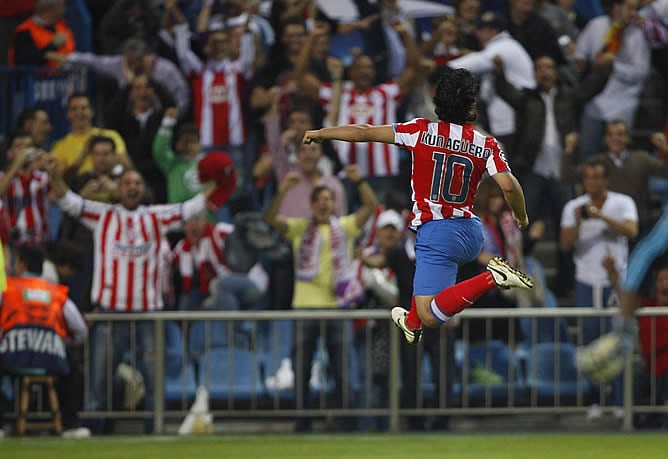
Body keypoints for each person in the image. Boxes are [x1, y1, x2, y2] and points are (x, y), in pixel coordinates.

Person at [302, 66, 533, 344]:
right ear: (472, 105)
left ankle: (492, 277)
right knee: (425, 305)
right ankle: (410, 322)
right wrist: (520, 215)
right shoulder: (487, 143)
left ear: (437, 101)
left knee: (432, 315)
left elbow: (364, 131)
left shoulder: (420, 131)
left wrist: (322, 132)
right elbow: (509, 185)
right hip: (471, 232)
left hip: (436, 232)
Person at [42, 151, 235, 431]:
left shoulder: (157, 217)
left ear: (142, 190)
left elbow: (195, 206)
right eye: (127, 184)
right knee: (99, 378)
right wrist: (55, 175)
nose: (132, 188)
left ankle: (153, 430)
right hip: (110, 314)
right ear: (119, 190)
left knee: (153, 379)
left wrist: (222, 182)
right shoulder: (102, 214)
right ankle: (93, 431)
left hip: (148, 315)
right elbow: (67, 201)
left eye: (137, 184)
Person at [0, 244, 88, 439]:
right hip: (50, 359)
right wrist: (62, 342)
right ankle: (70, 425)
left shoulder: (7, 290)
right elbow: (81, 330)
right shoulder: (57, 293)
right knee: (72, 367)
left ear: (21, 264)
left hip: (13, 356)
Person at [8, 0, 74, 68]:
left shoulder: (62, 27)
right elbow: (24, 61)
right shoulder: (25, 31)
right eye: (62, 6)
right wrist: (51, 46)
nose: (64, 9)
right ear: (50, 9)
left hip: (67, 75)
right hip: (36, 77)